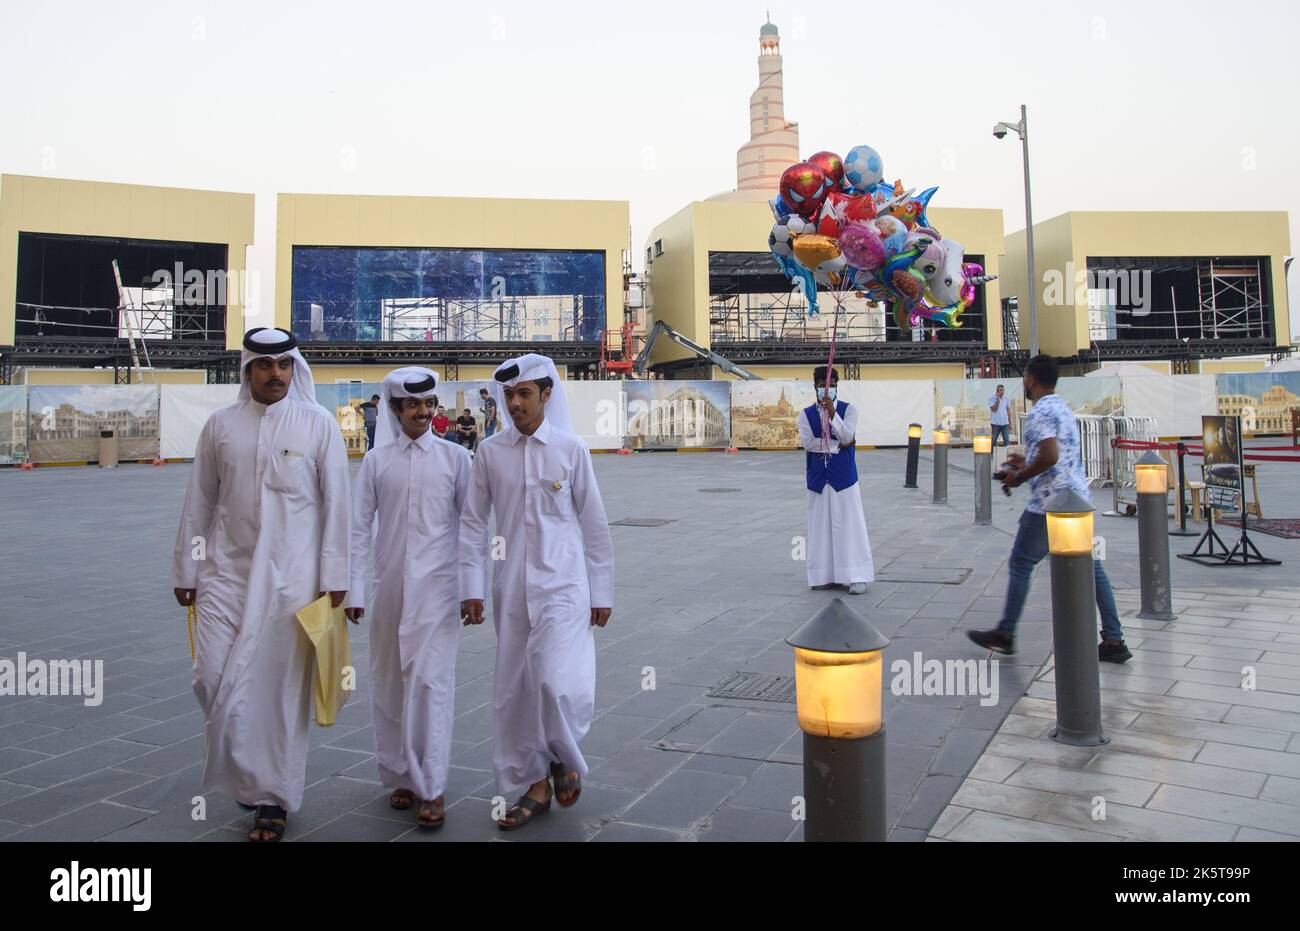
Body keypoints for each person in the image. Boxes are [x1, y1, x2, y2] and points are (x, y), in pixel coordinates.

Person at [171, 327, 351, 842]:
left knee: (278, 694)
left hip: (291, 583)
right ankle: (249, 776)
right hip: (224, 577)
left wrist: (338, 578)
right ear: (247, 370)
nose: (276, 375)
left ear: (294, 369)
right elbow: (200, 502)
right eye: (265, 366)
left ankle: (272, 798)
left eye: (285, 366)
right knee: (209, 677)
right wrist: (187, 567)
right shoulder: (220, 427)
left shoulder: (317, 425)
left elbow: (338, 505)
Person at [459, 353, 614, 832]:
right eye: (509, 395)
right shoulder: (490, 452)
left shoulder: (570, 451)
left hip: (565, 587)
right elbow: (471, 524)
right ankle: (536, 785)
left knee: (553, 679)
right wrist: (472, 588)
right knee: (516, 690)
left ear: (547, 395)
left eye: (524, 394)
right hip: (511, 589)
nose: (515, 403)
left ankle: (564, 755)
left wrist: (601, 589)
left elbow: (594, 523)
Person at [346, 367, 471, 830]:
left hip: (440, 593)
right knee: (389, 682)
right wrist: (354, 588)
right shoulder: (377, 464)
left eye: (429, 404)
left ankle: (432, 785)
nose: (423, 412)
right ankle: (401, 773)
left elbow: (473, 529)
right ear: (395, 409)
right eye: (413, 405)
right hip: (389, 590)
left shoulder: (457, 460)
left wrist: (472, 588)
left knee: (432, 685)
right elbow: (359, 528)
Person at [968, 355, 1132, 663]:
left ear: (1031, 379)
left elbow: (1051, 455)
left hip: (1049, 504)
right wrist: (1025, 460)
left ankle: (1006, 633)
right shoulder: (1061, 407)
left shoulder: (1040, 410)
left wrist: (1019, 476)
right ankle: (1113, 638)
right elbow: (1053, 453)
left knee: (1020, 562)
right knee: (1091, 568)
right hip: (1077, 501)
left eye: (1026, 378)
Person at [796, 366, 874, 594]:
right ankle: (825, 574)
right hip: (819, 478)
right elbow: (809, 443)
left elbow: (849, 435)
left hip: (844, 478)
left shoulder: (849, 410)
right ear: (815, 387)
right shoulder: (805, 414)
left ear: (837, 386)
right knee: (821, 526)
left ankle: (857, 574)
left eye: (830, 385)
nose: (826, 389)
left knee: (849, 524)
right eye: (822, 385)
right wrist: (836, 446)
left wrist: (833, 415)